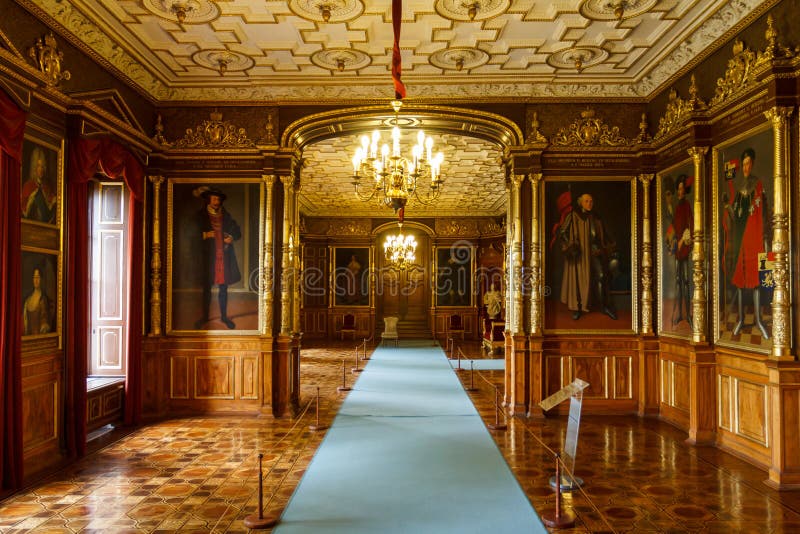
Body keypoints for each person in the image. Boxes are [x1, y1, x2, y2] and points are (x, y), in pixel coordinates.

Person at [722, 148, 771, 338]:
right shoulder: (740, 188)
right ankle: (741, 319)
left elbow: (761, 213)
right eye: (743, 164)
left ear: (753, 163)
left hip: (754, 239)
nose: (745, 167)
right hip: (740, 239)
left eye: (748, 163)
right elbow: (735, 216)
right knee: (741, 281)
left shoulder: (757, 185)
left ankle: (758, 320)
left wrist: (763, 238)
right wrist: (727, 206)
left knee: (756, 280)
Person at [557, 193, 617, 320]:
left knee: (601, 276)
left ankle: (604, 307)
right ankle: (578, 308)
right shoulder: (573, 216)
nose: (589, 203)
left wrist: (607, 247)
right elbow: (562, 233)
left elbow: (604, 236)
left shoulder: (596, 218)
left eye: (591, 201)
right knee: (579, 279)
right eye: (586, 201)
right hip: (580, 253)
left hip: (595, 252)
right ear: (580, 202)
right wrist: (571, 245)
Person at [195, 187, 241, 330]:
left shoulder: (225, 215)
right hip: (207, 257)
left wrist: (231, 237)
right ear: (209, 200)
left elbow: (237, 231)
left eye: (219, 199)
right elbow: (188, 233)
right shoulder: (201, 215)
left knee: (223, 288)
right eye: (215, 199)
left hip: (223, 256)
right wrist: (204, 235)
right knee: (206, 289)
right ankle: (205, 317)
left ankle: (224, 317)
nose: (217, 201)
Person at [667, 175, 693, 326]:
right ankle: (679, 315)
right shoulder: (676, 207)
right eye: (679, 188)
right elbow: (673, 228)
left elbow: (690, 226)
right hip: (678, 247)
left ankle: (688, 315)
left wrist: (684, 240)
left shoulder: (687, 205)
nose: (680, 191)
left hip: (685, 247)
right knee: (678, 282)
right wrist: (675, 243)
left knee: (686, 281)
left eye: (682, 189)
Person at [21, 146, 56, 223]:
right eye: (38, 166)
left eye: (42, 166)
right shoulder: (28, 186)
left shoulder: (47, 187)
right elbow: (24, 210)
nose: (41, 169)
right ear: (34, 167)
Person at [23, 267, 52, 335]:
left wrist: (44, 326)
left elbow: (45, 319)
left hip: (39, 340)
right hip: (28, 339)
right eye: (34, 277)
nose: (36, 280)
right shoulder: (28, 300)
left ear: (41, 279)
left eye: (38, 277)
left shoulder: (43, 299)